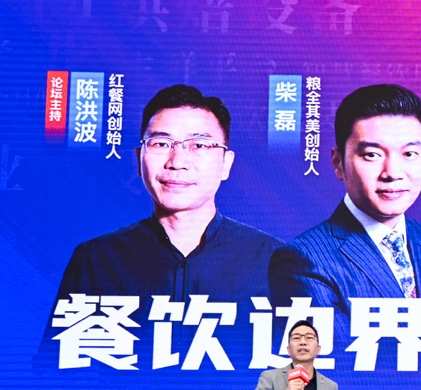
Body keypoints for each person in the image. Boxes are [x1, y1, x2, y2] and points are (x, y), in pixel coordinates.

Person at [52, 84, 278, 304]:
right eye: (161, 144)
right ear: (139, 159)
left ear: (226, 164)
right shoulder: (95, 260)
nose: (177, 162)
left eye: (199, 145)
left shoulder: (273, 261)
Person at [268, 84, 421, 342]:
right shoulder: (303, 260)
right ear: (338, 163)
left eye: (409, 153)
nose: (393, 172)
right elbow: (335, 360)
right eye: (372, 155)